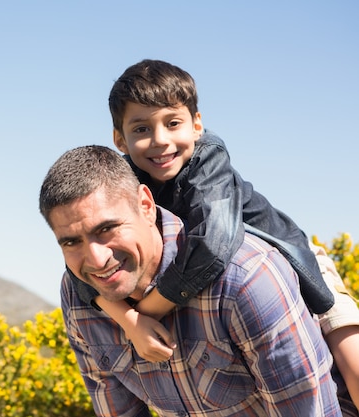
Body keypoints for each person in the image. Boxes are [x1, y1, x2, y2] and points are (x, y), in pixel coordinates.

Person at [70, 59, 359, 407]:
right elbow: (83, 269)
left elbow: (213, 244)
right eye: (141, 129)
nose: (160, 141)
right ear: (120, 139)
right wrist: (129, 320)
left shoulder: (207, 160)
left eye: (172, 123)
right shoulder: (125, 181)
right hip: (213, 282)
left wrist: (144, 313)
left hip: (294, 263)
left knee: (350, 359)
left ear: (197, 125)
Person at [39, 145, 348, 416]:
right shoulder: (80, 294)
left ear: (145, 206)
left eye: (106, 229)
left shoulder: (246, 278)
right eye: (71, 243)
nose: (95, 260)